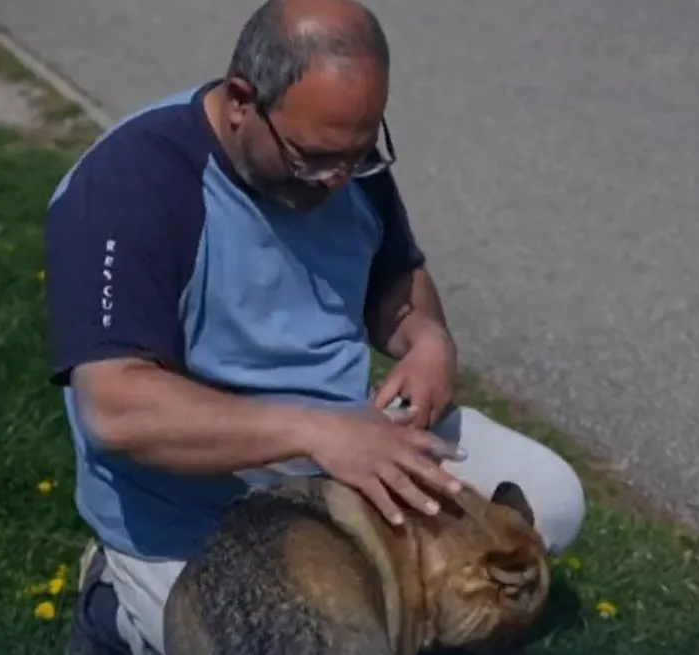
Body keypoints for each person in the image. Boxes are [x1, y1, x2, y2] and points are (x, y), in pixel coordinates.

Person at [41, 0, 587, 652]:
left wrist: (429, 339)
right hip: (202, 513)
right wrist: (315, 431)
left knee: (551, 498)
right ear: (242, 99)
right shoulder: (131, 184)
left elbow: (398, 282)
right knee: (290, 634)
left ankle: (391, 602)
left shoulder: (344, 161)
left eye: (358, 155)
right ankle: (118, 598)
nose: (335, 181)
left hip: (345, 457)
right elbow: (117, 407)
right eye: (313, 157)